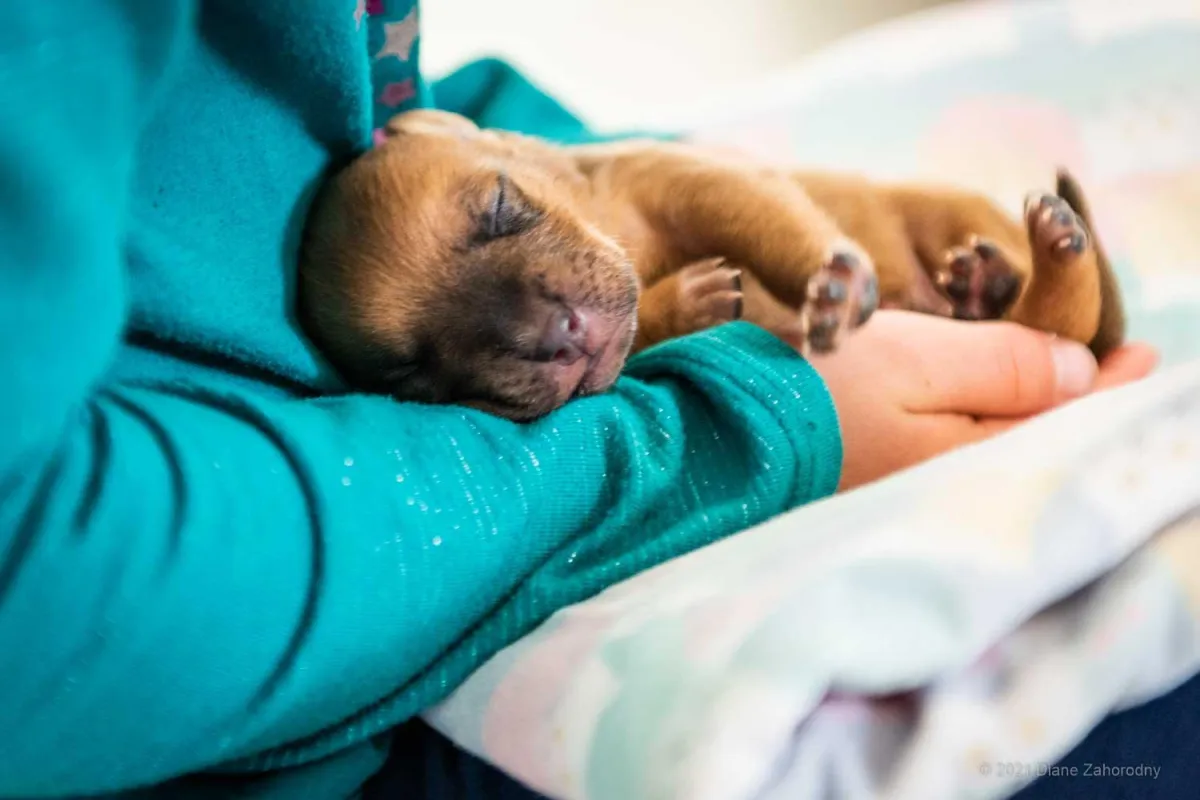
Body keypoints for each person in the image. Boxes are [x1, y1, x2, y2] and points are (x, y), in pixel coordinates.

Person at [0, 2, 1157, 798]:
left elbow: (345, 109)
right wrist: (715, 432)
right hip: (340, 703)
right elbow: (33, 584)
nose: (546, 323)